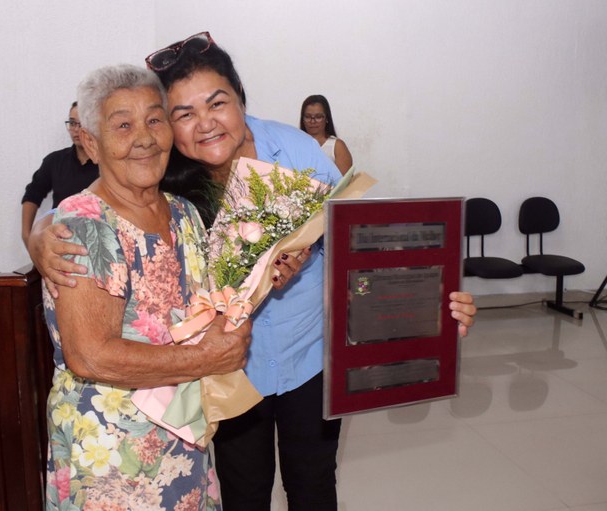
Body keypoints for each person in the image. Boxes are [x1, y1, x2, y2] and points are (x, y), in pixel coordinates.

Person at [29, 32, 476, 511]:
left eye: (217, 103)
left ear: (240, 97)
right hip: (229, 375)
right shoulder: (167, 173)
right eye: (183, 114)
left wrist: (427, 305)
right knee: (244, 491)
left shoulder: (294, 152)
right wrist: (41, 236)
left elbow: (358, 246)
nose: (205, 124)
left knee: (313, 484)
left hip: (305, 354)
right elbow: (93, 210)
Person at [41, 64, 253, 511]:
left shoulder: (183, 213)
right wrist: (206, 358)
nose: (144, 138)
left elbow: (207, 305)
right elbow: (90, 355)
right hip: (111, 456)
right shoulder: (84, 224)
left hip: (183, 440)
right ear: (91, 143)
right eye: (123, 125)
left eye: (155, 119)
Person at [20, 102, 100, 248]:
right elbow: (32, 194)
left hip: (98, 243)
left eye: (81, 124)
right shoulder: (55, 161)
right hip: (59, 243)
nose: (76, 129)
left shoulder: (107, 164)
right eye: (72, 123)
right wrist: (26, 236)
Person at [300, 94, 353, 175]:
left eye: (318, 117)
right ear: (302, 119)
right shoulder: (295, 144)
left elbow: (344, 180)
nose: (313, 121)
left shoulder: (337, 146)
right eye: (308, 117)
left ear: (327, 118)